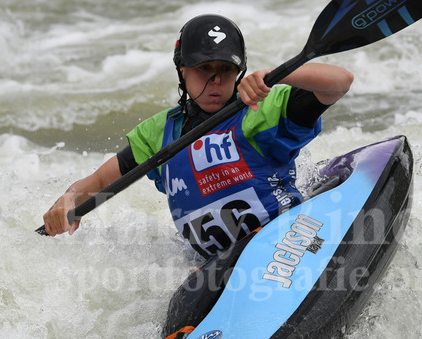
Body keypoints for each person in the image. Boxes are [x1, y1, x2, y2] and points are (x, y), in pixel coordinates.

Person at [42, 14, 354, 259]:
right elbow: (96, 184)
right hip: (216, 266)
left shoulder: (263, 106)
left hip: (284, 242)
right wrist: (68, 200)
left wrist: (282, 74)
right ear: (182, 71)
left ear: (240, 71)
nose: (216, 81)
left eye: (226, 69)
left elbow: (340, 82)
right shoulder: (157, 133)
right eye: (204, 69)